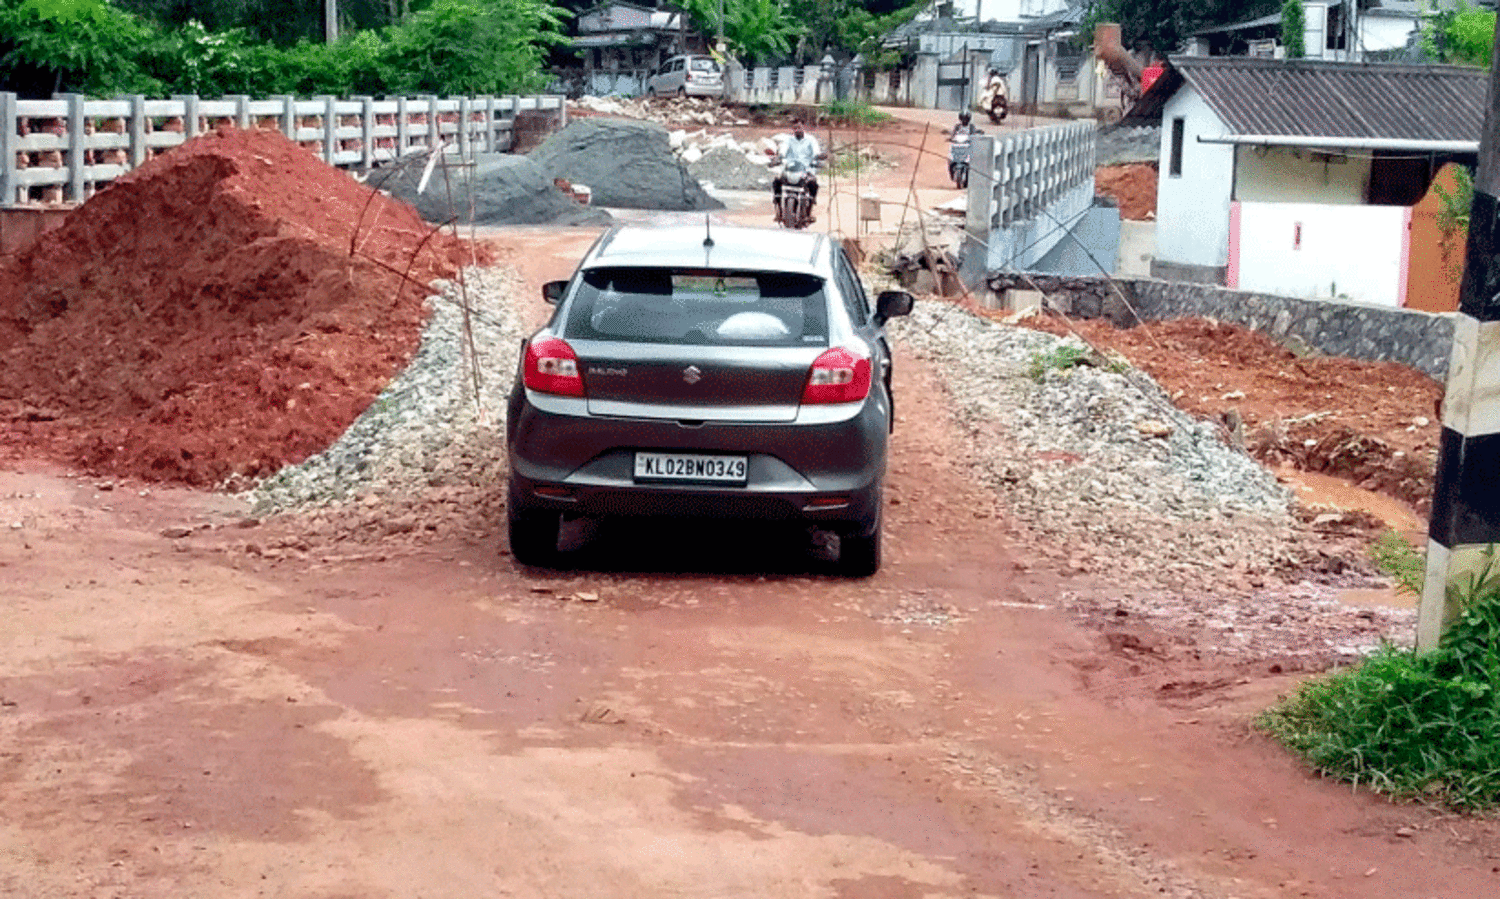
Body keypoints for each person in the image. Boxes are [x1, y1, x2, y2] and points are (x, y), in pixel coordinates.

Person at [772, 119, 823, 223]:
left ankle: (809, 211)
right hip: (790, 168)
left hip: (806, 168)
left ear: (804, 127)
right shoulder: (788, 140)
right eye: (795, 128)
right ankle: (779, 211)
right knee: (776, 182)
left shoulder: (811, 140)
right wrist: (778, 158)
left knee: (814, 184)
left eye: (799, 127)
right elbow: (783, 151)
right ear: (793, 129)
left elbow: (816, 152)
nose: (797, 130)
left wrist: (818, 159)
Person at [946, 110, 982, 183]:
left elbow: (974, 135)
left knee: (973, 160)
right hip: (957, 145)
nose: (964, 121)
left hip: (967, 146)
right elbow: (953, 134)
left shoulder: (971, 127)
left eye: (966, 119)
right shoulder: (957, 126)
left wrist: (976, 137)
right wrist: (951, 138)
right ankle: (952, 171)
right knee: (950, 158)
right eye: (963, 119)